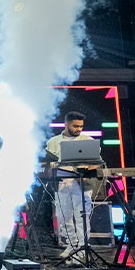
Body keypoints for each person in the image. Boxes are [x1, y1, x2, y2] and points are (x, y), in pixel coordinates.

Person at [46, 111, 97, 261]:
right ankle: (71, 245)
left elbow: (97, 162)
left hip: (81, 182)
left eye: (81, 126)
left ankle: (82, 247)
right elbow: (47, 163)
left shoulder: (88, 140)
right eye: (75, 126)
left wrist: (86, 169)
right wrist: (49, 168)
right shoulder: (53, 142)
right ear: (66, 124)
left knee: (82, 215)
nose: (79, 129)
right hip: (62, 182)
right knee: (63, 216)